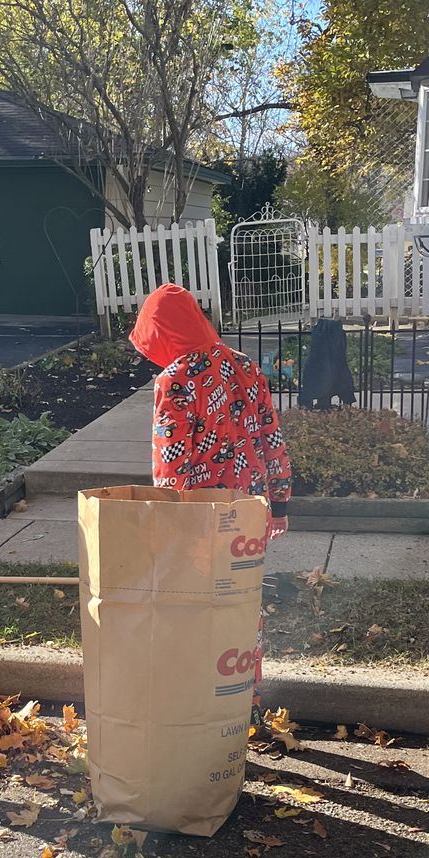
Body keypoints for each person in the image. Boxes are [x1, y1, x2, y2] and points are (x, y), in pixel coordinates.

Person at [129, 284, 292, 728]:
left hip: (198, 519)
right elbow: (270, 438)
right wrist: (278, 503)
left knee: (193, 605)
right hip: (248, 513)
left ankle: (200, 706)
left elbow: (171, 464)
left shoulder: (176, 378)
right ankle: (245, 701)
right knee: (242, 603)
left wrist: (165, 520)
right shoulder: (246, 367)